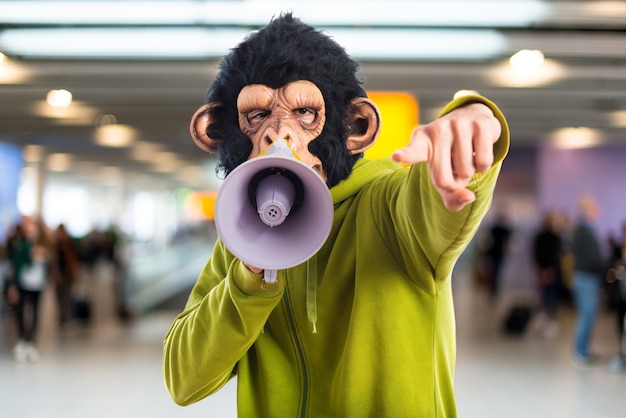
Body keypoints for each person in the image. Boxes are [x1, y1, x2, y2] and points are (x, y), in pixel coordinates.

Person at [163, 14, 509, 417]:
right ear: (220, 135)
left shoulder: (390, 209)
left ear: (356, 126)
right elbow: (183, 380)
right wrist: (246, 277)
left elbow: (433, 201)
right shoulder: (236, 245)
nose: (279, 134)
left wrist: (474, 117)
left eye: (305, 113)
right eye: (257, 116)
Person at [6, 219, 53, 362]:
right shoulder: (20, 245)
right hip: (22, 284)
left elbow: (48, 262)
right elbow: (15, 263)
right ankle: (22, 340)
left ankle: (31, 343)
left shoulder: (45, 245)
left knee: (35, 313)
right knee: (20, 312)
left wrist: (43, 256)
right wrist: (12, 286)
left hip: (37, 285)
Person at [570, 194, 606, 364]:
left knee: (587, 315)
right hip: (586, 277)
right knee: (586, 315)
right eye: (594, 208)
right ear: (588, 210)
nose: (597, 211)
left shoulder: (581, 230)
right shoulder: (584, 231)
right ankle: (580, 352)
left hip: (585, 276)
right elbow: (593, 257)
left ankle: (583, 350)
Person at [532, 210, 563, 337]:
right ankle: (549, 320)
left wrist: (540, 269)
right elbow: (554, 255)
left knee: (544, 295)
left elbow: (536, 254)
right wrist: (549, 270)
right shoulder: (556, 237)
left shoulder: (539, 236)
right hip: (552, 270)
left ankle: (544, 319)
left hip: (543, 269)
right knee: (551, 296)